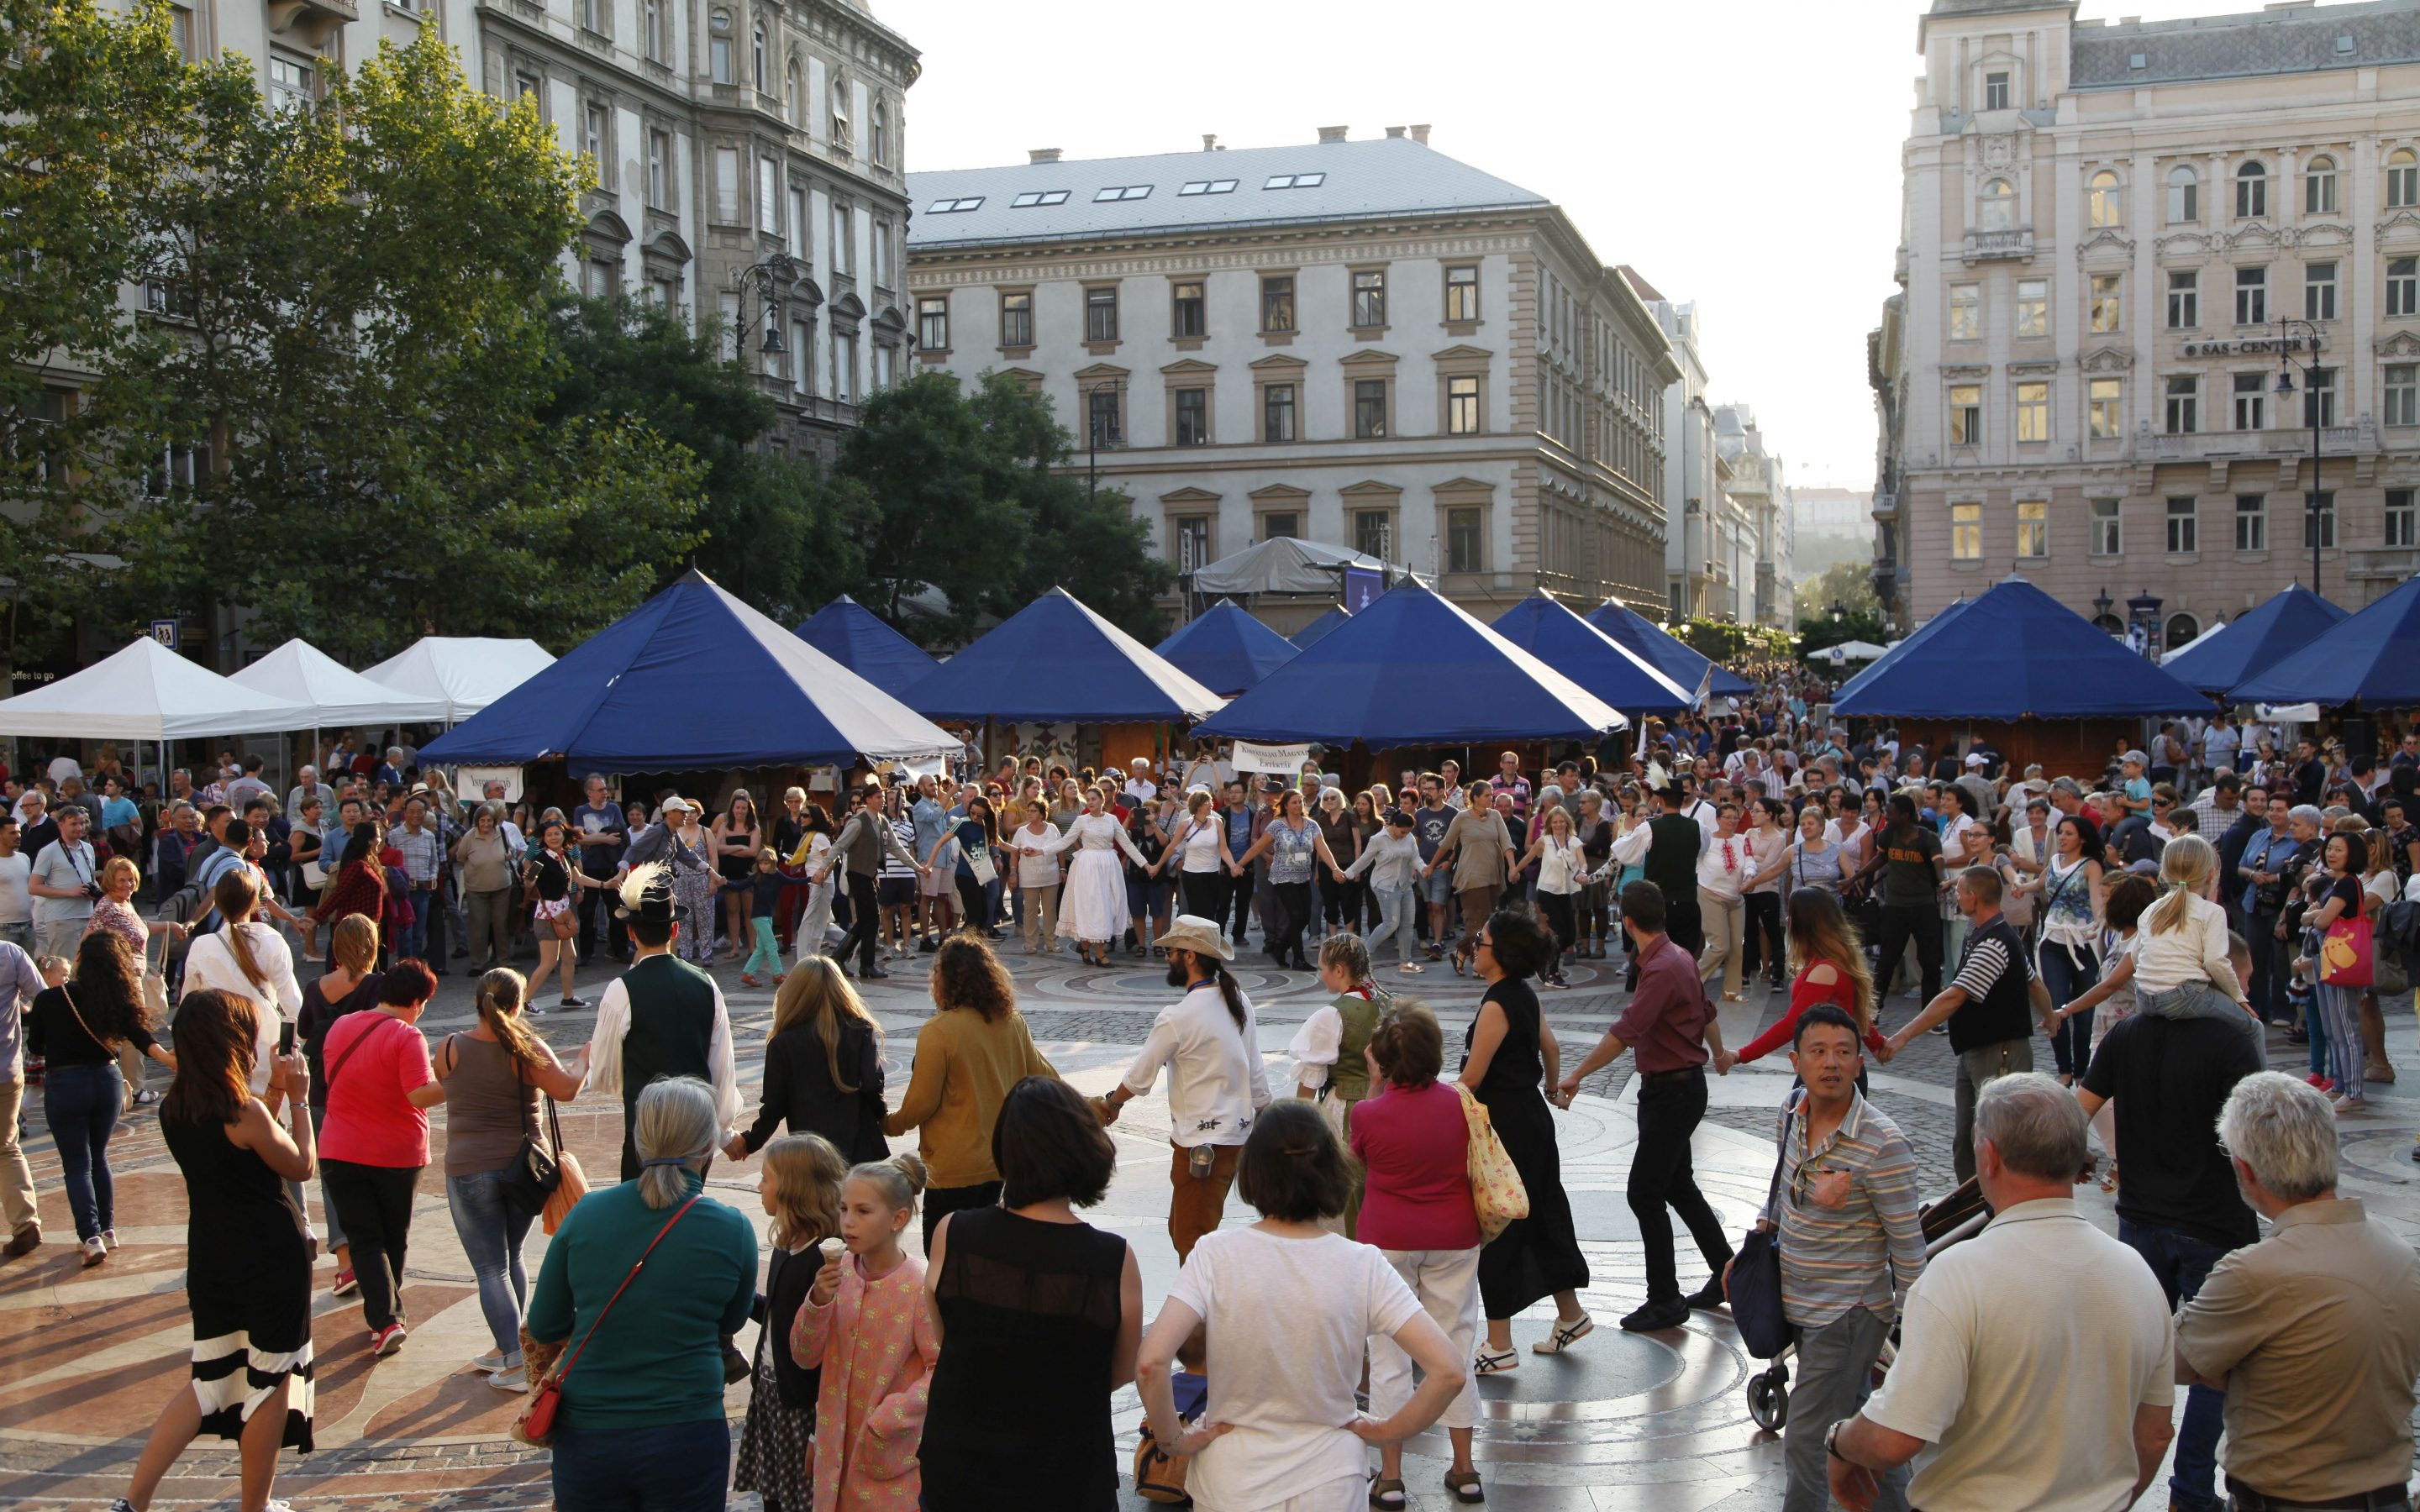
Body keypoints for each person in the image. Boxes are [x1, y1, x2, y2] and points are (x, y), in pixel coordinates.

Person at [1826, 1074, 2177, 1512]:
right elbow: (2156, 1432)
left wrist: (1840, 1442)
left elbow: (1893, 1439)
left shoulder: (1957, 1275)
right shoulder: (2137, 1273)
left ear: (1988, 1156)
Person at [1134, 1101, 1469, 1512]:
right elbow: (1449, 1372)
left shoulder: (1215, 1254)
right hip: (1330, 1478)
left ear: (1253, 1171)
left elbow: (1151, 1363)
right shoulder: (1362, 1264)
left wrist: (1175, 1441)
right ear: (1332, 1171)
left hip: (1233, 1478)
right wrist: (1385, 1432)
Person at [2070, 937, 2261, 1512]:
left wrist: (2075, 1156)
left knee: (2133, 1356)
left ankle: (2098, 1480)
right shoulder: (2233, 1036)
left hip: (2143, 1219)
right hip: (2216, 1222)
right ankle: (2191, 1491)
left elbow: (2075, 1109)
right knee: (2214, 1365)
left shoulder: (2129, 1031)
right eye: (2241, 977)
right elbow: (2256, 1131)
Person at [2175, 1072, 2420, 1512]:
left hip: (2286, 1500)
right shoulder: (2401, 1255)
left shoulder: (2253, 1273)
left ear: (2244, 1169)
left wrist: (2242, 1370)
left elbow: (2174, 1360)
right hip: (2388, 1498)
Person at [113, 989, 315, 1512]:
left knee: (209, 1378)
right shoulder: (242, 1110)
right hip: (269, 1255)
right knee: (272, 1381)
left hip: (212, 1253)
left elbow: (248, 1146)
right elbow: (300, 1165)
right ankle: (255, 1507)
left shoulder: (176, 1108)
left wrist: (271, 1087)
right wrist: (299, 1096)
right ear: (230, 1042)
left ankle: (133, 1502)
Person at [525, 1076, 758, 1511]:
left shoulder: (587, 1215)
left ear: (639, 1140)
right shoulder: (733, 1228)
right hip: (687, 1428)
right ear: (708, 1145)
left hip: (591, 1431)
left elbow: (543, 1323)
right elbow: (730, 1323)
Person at [918, 1076, 1143, 1512]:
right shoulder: (1112, 1259)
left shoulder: (954, 1233)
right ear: (1083, 1150)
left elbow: (950, 1339)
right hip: (1067, 1471)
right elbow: (1119, 1370)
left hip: (961, 1464)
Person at [1733, 1004, 1925, 1512]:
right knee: (1857, 1425)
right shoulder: (1792, 1112)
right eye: (1818, 1052)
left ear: (1860, 1064)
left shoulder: (1883, 1144)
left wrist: (1915, 1335)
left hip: (1848, 1312)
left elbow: (1909, 1248)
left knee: (1806, 1441)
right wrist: (1758, 1234)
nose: (1831, 1063)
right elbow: (1778, 1191)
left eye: (1843, 1052)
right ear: (1796, 1061)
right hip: (1796, 1296)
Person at [1557, 882, 1733, 1332]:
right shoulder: (1680, 956)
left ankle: (1666, 1299)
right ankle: (1728, 1272)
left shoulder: (1660, 969)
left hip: (1671, 1093)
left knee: (1645, 1193)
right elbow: (1707, 1011)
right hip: (1680, 1087)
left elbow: (1627, 1030)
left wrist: (1577, 1074)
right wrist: (1717, 1055)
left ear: (1627, 921)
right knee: (1678, 1187)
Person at [1097, 915, 1271, 1313]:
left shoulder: (1178, 1017)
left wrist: (1112, 1102)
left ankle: (1204, 1324)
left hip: (1200, 1148)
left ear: (1190, 956)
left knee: (1192, 1239)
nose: (1167, 959)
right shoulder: (1238, 998)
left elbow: (1139, 1077)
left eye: (1171, 952)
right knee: (1184, 1229)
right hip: (1235, 1138)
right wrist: (1266, 1116)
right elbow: (1256, 1072)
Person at [1444, 904, 1590, 1371]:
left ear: (1500, 954)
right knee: (1541, 1212)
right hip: (1531, 1118)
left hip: (1503, 1124)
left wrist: (1428, 1102)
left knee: (1499, 1223)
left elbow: (1471, 1077)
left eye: (1480, 942)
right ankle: (1570, 1314)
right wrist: (1550, 1086)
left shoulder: (1495, 1004)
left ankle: (1500, 1344)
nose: (1474, 948)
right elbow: (1551, 1046)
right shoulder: (1524, 994)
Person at [1353, 1004, 1486, 1508]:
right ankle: (1465, 1468)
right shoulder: (1459, 1102)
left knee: (1388, 1353)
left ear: (1383, 1061)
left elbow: (1356, 1156)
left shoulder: (1370, 1112)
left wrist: (1372, 1086)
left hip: (1386, 1239)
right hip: (1454, 1235)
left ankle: (1390, 1475)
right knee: (1455, 1346)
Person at [433, 968, 583, 1393]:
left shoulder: (449, 1048)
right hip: (522, 1170)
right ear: (518, 1005)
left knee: (490, 1267)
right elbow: (567, 1089)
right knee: (512, 1256)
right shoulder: (526, 1048)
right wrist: (584, 1060)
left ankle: (515, 1357)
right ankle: (514, 1349)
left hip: (467, 1169)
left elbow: (443, 1084)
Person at [1881, 867, 2054, 1184]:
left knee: (1996, 1139)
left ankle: (1997, 1206)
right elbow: (2034, 983)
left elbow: (1954, 996)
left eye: (1960, 892)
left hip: (1997, 1052)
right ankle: (1973, 1205)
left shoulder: (1994, 942)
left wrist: (1902, 1037)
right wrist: (2051, 1019)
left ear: (1974, 897)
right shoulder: (1988, 933)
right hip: (1977, 1051)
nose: (1956, 897)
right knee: (1968, 1137)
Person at [881, 933, 1056, 1244]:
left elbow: (922, 1103)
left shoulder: (939, 1032)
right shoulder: (1012, 1022)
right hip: (998, 1162)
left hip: (952, 1168)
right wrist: (1097, 1106)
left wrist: (890, 1124)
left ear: (943, 980)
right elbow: (1045, 1078)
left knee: (943, 1258)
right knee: (985, 1254)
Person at [790, 1153, 940, 1512]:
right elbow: (803, 1355)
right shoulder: (837, 1274)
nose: (847, 1222)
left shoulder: (917, 1287)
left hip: (888, 1462)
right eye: (844, 1209)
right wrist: (818, 1302)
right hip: (832, 1458)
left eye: (863, 1211)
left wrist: (889, 1418)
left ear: (898, 1219)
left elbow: (942, 1369)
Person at [582, 862, 743, 1180]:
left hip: (646, 1131)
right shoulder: (707, 984)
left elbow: (603, 1073)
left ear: (630, 933)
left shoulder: (621, 990)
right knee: (687, 1217)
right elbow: (722, 1066)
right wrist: (724, 1132)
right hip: (696, 1132)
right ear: (675, 929)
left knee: (643, 1220)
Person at [318, 959, 444, 1356]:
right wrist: (458, 1082)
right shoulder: (407, 1037)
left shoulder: (341, 1026)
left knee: (364, 1239)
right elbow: (419, 1094)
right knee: (393, 1238)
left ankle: (386, 1318)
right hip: (395, 1153)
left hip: (340, 1149)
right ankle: (388, 1318)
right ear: (418, 1002)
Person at [27, 931, 174, 1265]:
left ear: (80, 961)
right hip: (106, 1082)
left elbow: (35, 1046)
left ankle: (91, 1236)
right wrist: (167, 1058)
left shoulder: (51, 999)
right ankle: (108, 1229)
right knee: (99, 1157)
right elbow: (143, 1039)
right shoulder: (116, 1001)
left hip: (66, 1084)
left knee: (77, 1164)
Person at [734, 1132, 847, 1512]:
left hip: (801, 1407)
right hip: (770, 1391)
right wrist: (741, 1298)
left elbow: (828, 1350)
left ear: (793, 1190)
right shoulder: (786, 1246)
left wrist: (820, 1429)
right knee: (775, 1495)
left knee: (800, 1498)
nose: (760, 1186)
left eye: (767, 1178)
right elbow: (779, 1317)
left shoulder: (823, 1260)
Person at [733, 956, 889, 1165]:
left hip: (811, 1153)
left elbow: (774, 1106)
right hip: (858, 1148)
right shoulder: (860, 1030)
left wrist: (751, 1141)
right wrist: (882, 1116)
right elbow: (872, 1084)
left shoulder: (782, 1043)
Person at [1724, 887, 1891, 1069]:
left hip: (1830, 1070)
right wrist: (1877, 1046)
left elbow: (1791, 1024)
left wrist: (1741, 1055)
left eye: (1790, 915)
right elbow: (1856, 1011)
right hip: (1826, 1066)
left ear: (1803, 923)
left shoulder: (1825, 971)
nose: (1787, 920)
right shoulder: (1825, 962)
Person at [1285, 932, 1384, 1237]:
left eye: (1323, 967)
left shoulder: (1332, 1015)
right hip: (1391, 1106)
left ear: (1339, 970)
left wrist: (1298, 1136)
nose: (1321, 974)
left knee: (1346, 1188)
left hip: (1348, 1111)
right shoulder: (1391, 1004)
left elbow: (1309, 1082)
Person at [181, 871, 305, 1108]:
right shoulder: (271, 940)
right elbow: (292, 1001)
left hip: (221, 1044)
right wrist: (296, 1041)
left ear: (217, 903)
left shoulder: (202, 946)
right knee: (274, 1123)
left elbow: (190, 1001)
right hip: (267, 1043)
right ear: (253, 901)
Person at [2297, 829, 2370, 1111]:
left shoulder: (2348, 885)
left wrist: (2315, 915)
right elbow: (2312, 915)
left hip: (2341, 959)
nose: (2332, 853)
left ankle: (2353, 1090)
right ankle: (2339, 1083)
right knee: (2332, 1027)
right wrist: (2315, 915)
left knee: (2345, 1026)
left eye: (2340, 849)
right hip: (2325, 958)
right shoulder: (2334, 884)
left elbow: (2321, 919)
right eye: (2330, 848)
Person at [830, 785, 928, 980]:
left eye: (883, 797)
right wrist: (823, 869)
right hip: (858, 875)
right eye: (878, 797)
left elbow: (897, 848)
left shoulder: (882, 822)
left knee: (867, 920)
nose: (882, 800)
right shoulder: (858, 822)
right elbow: (839, 846)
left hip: (871, 875)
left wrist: (917, 867)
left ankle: (840, 957)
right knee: (872, 919)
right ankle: (865, 964)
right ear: (868, 800)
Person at [1425, 782, 1515, 977]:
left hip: (1493, 873)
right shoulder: (1462, 817)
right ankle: (1478, 965)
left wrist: (1513, 868)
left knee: (1490, 920)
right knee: (1476, 919)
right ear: (1474, 797)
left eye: (1491, 795)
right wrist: (1431, 866)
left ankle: (1461, 950)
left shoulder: (1495, 816)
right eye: (1486, 795)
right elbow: (1446, 844)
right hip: (1471, 874)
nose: (1490, 798)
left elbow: (1506, 842)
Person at [523, 819, 610, 1011]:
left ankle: (568, 997)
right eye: (549, 835)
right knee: (548, 963)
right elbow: (529, 883)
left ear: (564, 835)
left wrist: (605, 884)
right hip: (548, 918)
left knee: (570, 957)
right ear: (544, 839)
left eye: (557, 833)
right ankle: (525, 1001)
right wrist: (530, 879)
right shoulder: (541, 859)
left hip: (563, 914)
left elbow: (578, 878)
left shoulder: (564, 857)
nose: (553, 837)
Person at [1335, 807, 1426, 974]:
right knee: (1391, 924)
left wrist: (1423, 868)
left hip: (1405, 884)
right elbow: (1365, 859)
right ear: (1394, 825)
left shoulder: (1409, 838)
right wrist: (1348, 874)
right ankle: (1360, 957)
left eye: (1408, 832)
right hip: (1384, 885)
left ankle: (1405, 962)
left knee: (1408, 924)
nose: (1404, 835)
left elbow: (1415, 857)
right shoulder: (1378, 839)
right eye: (1402, 832)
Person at [450, 802, 518, 974]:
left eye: (489, 820)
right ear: (477, 821)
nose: (486, 824)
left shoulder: (501, 832)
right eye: (482, 820)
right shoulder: (469, 836)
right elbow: (461, 857)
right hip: (477, 888)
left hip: (502, 886)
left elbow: (511, 850)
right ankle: (478, 964)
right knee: (478, 926)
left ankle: (503, 960)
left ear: (494, 821)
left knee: (501, 925)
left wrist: (508, 855)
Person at [29, 802, 97, 960]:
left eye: (82, 823)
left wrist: (94, 891)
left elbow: (92, 880)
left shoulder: (88, 849)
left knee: (87, 968)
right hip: (62, 919)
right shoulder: (48, 851)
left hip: (87, 916)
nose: (79, 828)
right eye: (73, 824)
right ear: (61, 825)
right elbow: (33, 887)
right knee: (64, 970)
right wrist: (69, 893)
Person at [1007, 798, 1066, 954]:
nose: (1029, 813)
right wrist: (1013, 872)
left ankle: (1051, 942)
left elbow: (1060, 850)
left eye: (1033, 811)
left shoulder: (1052, 829)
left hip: (1050, 875)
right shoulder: (1021, 832)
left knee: (1050, 910)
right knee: (1030, 911)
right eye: (1028, 810)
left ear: (1042, 814)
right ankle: (1031, 943)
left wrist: (1062, 869)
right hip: (1029, 876)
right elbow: (1014, 853)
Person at [711, 789, 763, 961]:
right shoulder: (725, 826)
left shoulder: (754, 828)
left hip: (748, 874)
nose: (740, 811)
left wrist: (731, 850)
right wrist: (740, 848)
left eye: (743, 808)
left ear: (748, 810)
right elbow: (718, 848)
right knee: (732, 910)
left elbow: (754, 852)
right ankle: (734, 947)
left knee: (749, 910)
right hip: (730, 874)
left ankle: (752, 947)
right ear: (732, 809)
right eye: (737, 808)